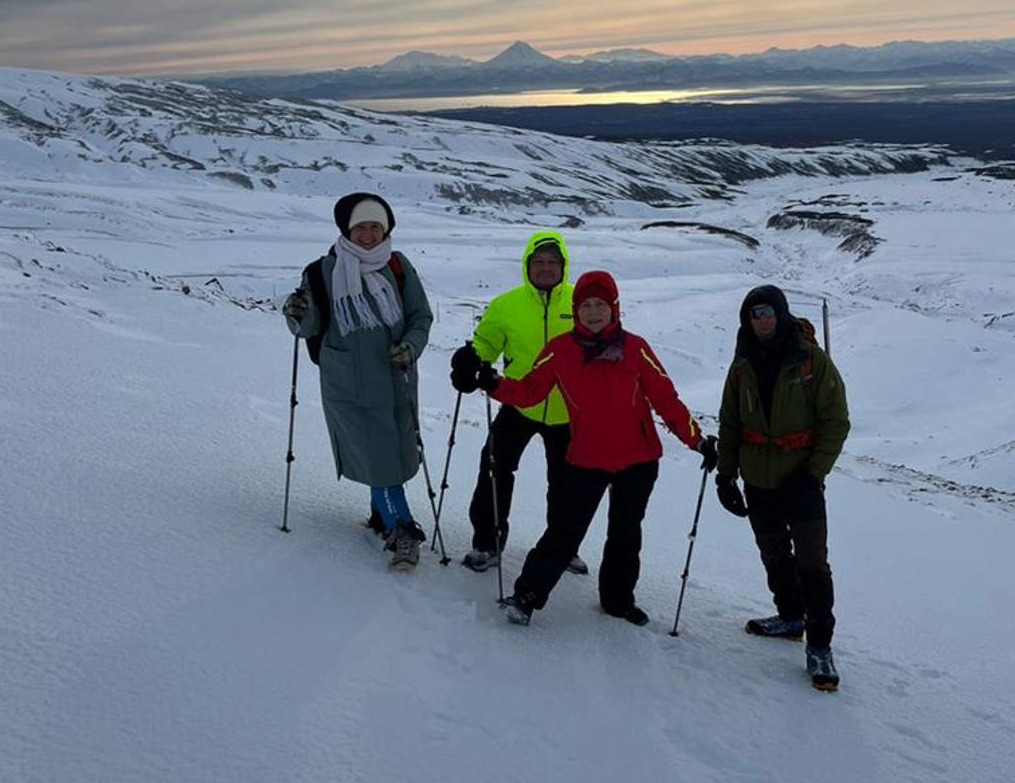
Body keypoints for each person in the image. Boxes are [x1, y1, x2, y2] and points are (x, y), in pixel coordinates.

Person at [454, 270, 718, 628]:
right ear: (576, 309)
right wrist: (494, 383)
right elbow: (531, 391)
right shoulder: (560, 350)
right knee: (564, 531)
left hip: (638, 461)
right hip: (586, 458)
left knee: (626, 534)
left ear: (615, 308)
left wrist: (697, 440)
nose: (594, 312)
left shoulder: (635, 349)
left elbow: (666, 400)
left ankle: (618, 600)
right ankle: (527, 596)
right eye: (586, 305)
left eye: (601, 305)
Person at [282, 192, 434, 570]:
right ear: (346, 230)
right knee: (379, 457)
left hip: (396, 380)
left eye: (375, 227)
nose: (368, 234)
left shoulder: (398, 267)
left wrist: (410, 347)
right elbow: (309, 326)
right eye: (360, 227)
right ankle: (401, 529)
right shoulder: (323, 271)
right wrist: (296, 313)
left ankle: (380, 514)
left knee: (391, 454)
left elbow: (420, 317)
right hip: (347, 383)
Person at [714, 285, 849, 690]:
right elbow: (731, 422)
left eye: (768, 312)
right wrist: (725, 475)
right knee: (773, 552)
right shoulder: (742, 365)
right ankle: (791, 616)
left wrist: (812, 476)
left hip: (801, 479)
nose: (762, 320)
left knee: (812, 563)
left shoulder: (812, 361)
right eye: (755, 314)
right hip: (759, 479)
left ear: (783, 313)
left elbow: (836, 422)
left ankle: (820, 644)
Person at [448, 231, 587, 576]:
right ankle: (487, 543)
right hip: (519, 402)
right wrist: (469, 360)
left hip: (568, 411)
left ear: (563, 265)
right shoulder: (506, 305)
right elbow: (485, 344)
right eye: (538, 261)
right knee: (495, 468)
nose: (545, 267)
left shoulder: (581, 304)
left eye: (552, 261)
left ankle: (562, 546)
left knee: (567, 484)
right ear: (526, 265)